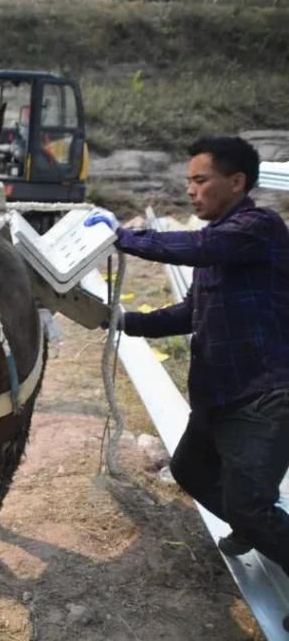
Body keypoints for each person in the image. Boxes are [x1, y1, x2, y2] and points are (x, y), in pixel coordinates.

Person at [88, 136, 289, 631]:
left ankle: (259, 526)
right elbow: (190, 312)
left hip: (261, 394)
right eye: (189, 183)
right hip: (219, 393)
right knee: (192, 471)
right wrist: (123, 321)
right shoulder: (223, 240)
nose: (191, 192)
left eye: (200, 181)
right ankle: (256, 527)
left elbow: (195, 248)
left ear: (237, 182)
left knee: (250, 503)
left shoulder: (257, 228)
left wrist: (124, 238)